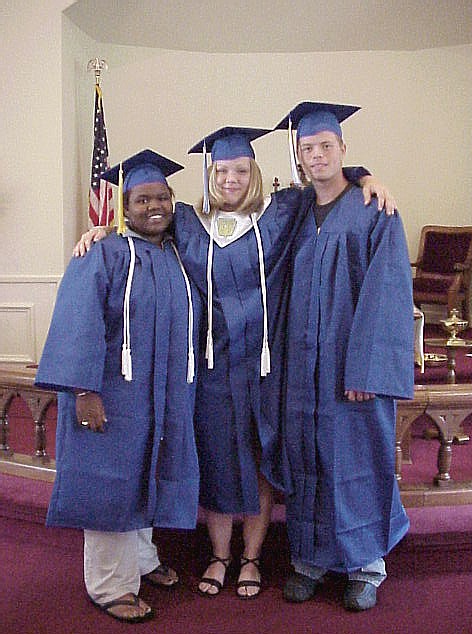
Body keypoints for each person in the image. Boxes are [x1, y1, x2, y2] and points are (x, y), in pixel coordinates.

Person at [73, 127, 396, 600]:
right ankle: (222, 555)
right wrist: (106, 230)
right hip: (212, 369)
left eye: (241, 170)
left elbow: (330, 184)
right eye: (222, 170)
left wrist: (365, 177)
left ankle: (258, 559)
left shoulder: (282, 211)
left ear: (254, 173)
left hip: (268, 368)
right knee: (218, 459)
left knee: (267, 458)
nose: (230, 179)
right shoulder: (188, 222)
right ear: (210, 174)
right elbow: (146, 224)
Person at [34, 150, 202, 623]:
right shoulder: (101, 253)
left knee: (150, 470)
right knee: (111, 482)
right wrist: (82, 392)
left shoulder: (177, 254)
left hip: (163, 393)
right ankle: (110, 585)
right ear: (124, 208)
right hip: (112, 394)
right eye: (142, 199)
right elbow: (78, 322)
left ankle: (143, 559)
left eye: (162, 197)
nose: (155, 206)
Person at [274, 102, 414, 611]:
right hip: (301, 369)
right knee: (307, 456)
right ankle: (310, 560)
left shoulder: (376, 210)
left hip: (350, 370)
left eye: (326, 146)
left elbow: (388, 294)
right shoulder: (293, 212)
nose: (317, 156)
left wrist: (367, 371)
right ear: (298, 155)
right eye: (307, 148)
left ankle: (365, 565)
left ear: (343, 149)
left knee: (358, 458)